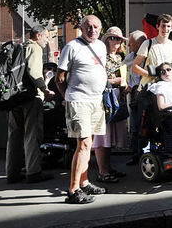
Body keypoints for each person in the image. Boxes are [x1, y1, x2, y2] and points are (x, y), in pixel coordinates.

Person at [56, 15, 108, 204]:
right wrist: (68, 98)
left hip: (96, 101)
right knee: (84, 144)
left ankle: (84, 182)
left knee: (89, 144)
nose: (92, 30)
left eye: (96, 27)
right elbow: (59, 78)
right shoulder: (72, 46)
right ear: (81, 28)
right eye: (88, 26)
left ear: (100, 29)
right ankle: (73, 189)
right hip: (79, 101)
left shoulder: (101, 46)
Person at [6, 25, 54, 184]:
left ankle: (12, 172)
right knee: (32, 135)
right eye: (46, 37)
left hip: (14, 97)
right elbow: (34, 72)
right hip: (30, 97)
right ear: (38, 35)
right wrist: (45, 90)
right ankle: (33, 172)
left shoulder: (20, 47)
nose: (47, 40)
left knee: (14, 135)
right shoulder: (34, 48)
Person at [92, 27, 128, 183]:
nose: (116, 42)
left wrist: (125, 85)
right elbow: (97, 78)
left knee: (110, 138)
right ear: (106, 40)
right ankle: (102, 171)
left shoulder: (121, 58)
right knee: (102, 136)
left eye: (118, 39)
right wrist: (116, 81)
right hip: (104, 98)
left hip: (117, 97)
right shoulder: (101, 57)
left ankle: (108, 168)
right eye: (113, 38)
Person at [132, 14, 172, 88]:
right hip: (149, 88)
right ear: (157, 26)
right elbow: (134, 67)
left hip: (167, 88)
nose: (165, 29)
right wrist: (151, 74)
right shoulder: (148, 43)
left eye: (168, 26)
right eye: (163, 26)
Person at [124, 30, 147, 166]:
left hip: (144, 94)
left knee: (143, 125)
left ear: (139, 44)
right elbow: (121, 66)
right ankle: (135, 154)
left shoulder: (147, 56)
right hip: (133, 95)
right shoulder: (130, 56)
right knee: (134, 127)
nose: (128, 46)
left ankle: (144, 153)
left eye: (131, 43)